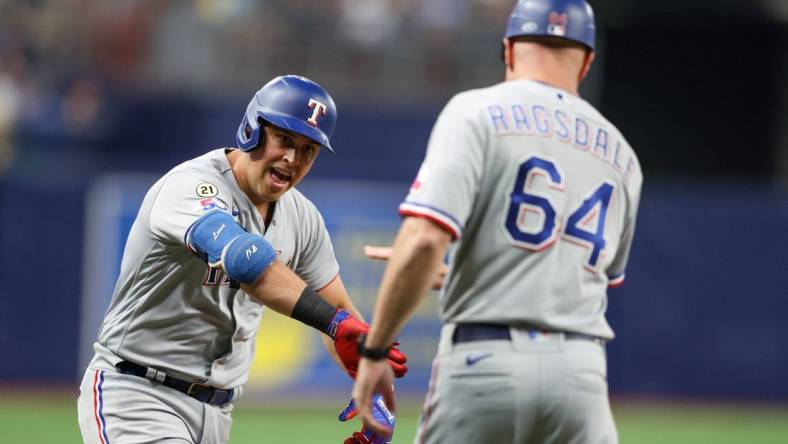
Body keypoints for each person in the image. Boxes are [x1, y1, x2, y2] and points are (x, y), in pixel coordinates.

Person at [352, 0, 643, 443]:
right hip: (581, 375)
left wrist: (374, 351)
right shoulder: (623, 156)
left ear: (508, 49)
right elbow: (588, 279)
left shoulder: (476, 111)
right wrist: (463, 275)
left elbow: (425, 241)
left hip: (485, 362)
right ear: (587, 62)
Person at [76, 75, 407, 444]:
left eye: (308, 149)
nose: (292, 158)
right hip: (137, 394)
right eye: (284, 139)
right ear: (253, 128)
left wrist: (373, 386)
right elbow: (247, 263)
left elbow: (339, 314)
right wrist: (337, 324)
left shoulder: (302, 217)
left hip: (217, 415)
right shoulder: (191, 186)